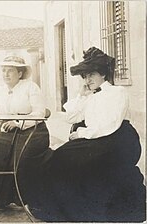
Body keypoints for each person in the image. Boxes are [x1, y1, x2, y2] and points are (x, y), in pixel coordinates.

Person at [29, 47, 146, 222]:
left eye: (91, 74)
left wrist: (82, 133)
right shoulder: (91, 95)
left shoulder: (117, 92)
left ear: (103, 74)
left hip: (117, 140)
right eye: (85, 76)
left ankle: (76, 210)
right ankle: (61, 209)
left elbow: (109, 125)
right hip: (96, 139)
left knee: (66, 157)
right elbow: (71, 117)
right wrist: (82, 96)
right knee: (58, 157)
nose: (87, 79)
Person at [0, 55, 50, 210]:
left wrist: (18, 123)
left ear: (20, 73)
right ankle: (1, 197)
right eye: (4, 70)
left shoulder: (31, 87)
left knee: (20, 157)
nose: (6, 74)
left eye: (10, 71)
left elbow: (39, 113)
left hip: (32, 131)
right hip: (7, 132)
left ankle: (25, 199)